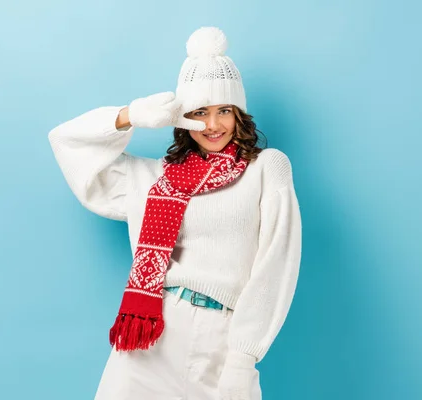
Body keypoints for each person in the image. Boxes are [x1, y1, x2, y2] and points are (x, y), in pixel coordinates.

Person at [48, 26, 302, 400]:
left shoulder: (267, 168)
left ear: (239, 113)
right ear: (183, 118)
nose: (213, 125)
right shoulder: (153, 179)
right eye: (199, 112)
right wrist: (130, 115)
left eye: (224, 111)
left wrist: (243, 358)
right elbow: (66, 142)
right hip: (150, 337)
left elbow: (275, 266)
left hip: (222, 344)